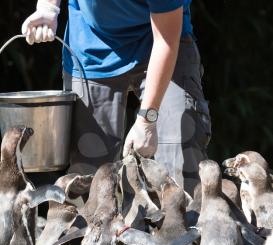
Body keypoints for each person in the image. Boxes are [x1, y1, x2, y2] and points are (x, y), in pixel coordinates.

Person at [22, 0, 211, 196]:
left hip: (162, 39)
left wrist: (147, 120)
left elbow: (166, 41)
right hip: (91, 42)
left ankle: (185, 223)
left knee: (181, 154)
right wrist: (48, 8)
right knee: (90, 178)